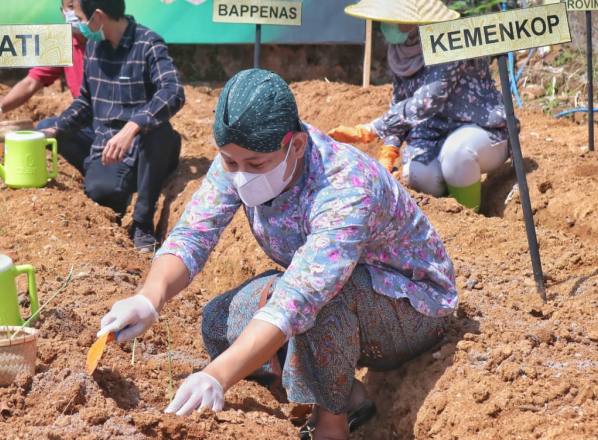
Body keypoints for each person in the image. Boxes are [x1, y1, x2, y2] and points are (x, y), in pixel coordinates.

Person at [97, 69, 457, 440]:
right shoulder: (237, 160)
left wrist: (217, 376)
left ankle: (331, 425)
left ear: (297, 146)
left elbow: (300, 298)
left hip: (410, 306)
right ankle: (349, 396)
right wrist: (148, 298)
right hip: (322, 288)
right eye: (230, 162)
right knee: (220, 322)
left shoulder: (344, 186)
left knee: (324, 303)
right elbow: (192, 235)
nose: (240, 176)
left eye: (255, 165)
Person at [329, 0, 512, 213]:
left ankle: (473, 215)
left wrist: (370, 129)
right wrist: (390, 149)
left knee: (457, 154)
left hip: (481, 132)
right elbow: (400, 102)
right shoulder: (400, 51)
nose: (385, 25)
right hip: (433, 136)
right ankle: (451, 208)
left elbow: (426, 101)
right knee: (419, 175)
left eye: (392, 20)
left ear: (414, 22)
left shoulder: (453, 42)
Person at [40, 0, 185, 252]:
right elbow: (86, 101)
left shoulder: (148, 43)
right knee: (54, 131)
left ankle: (142, 222)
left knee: (158, 130)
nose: (74, 18)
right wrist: (55, 130)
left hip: (144, 147)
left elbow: (173, 91)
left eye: (77, 13)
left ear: (98, 16)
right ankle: (103, 171)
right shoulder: (95, 46)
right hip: (107, 142)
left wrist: (133, 125)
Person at [0, 0, 90, 173]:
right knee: (46, 127)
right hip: (85, 119)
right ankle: (91, 169)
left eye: (81, 5)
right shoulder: (64, 44)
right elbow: (31, 82)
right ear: (63, 12)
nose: (76, 12)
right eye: (71, 6)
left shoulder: (106, 41)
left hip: (115, 121)